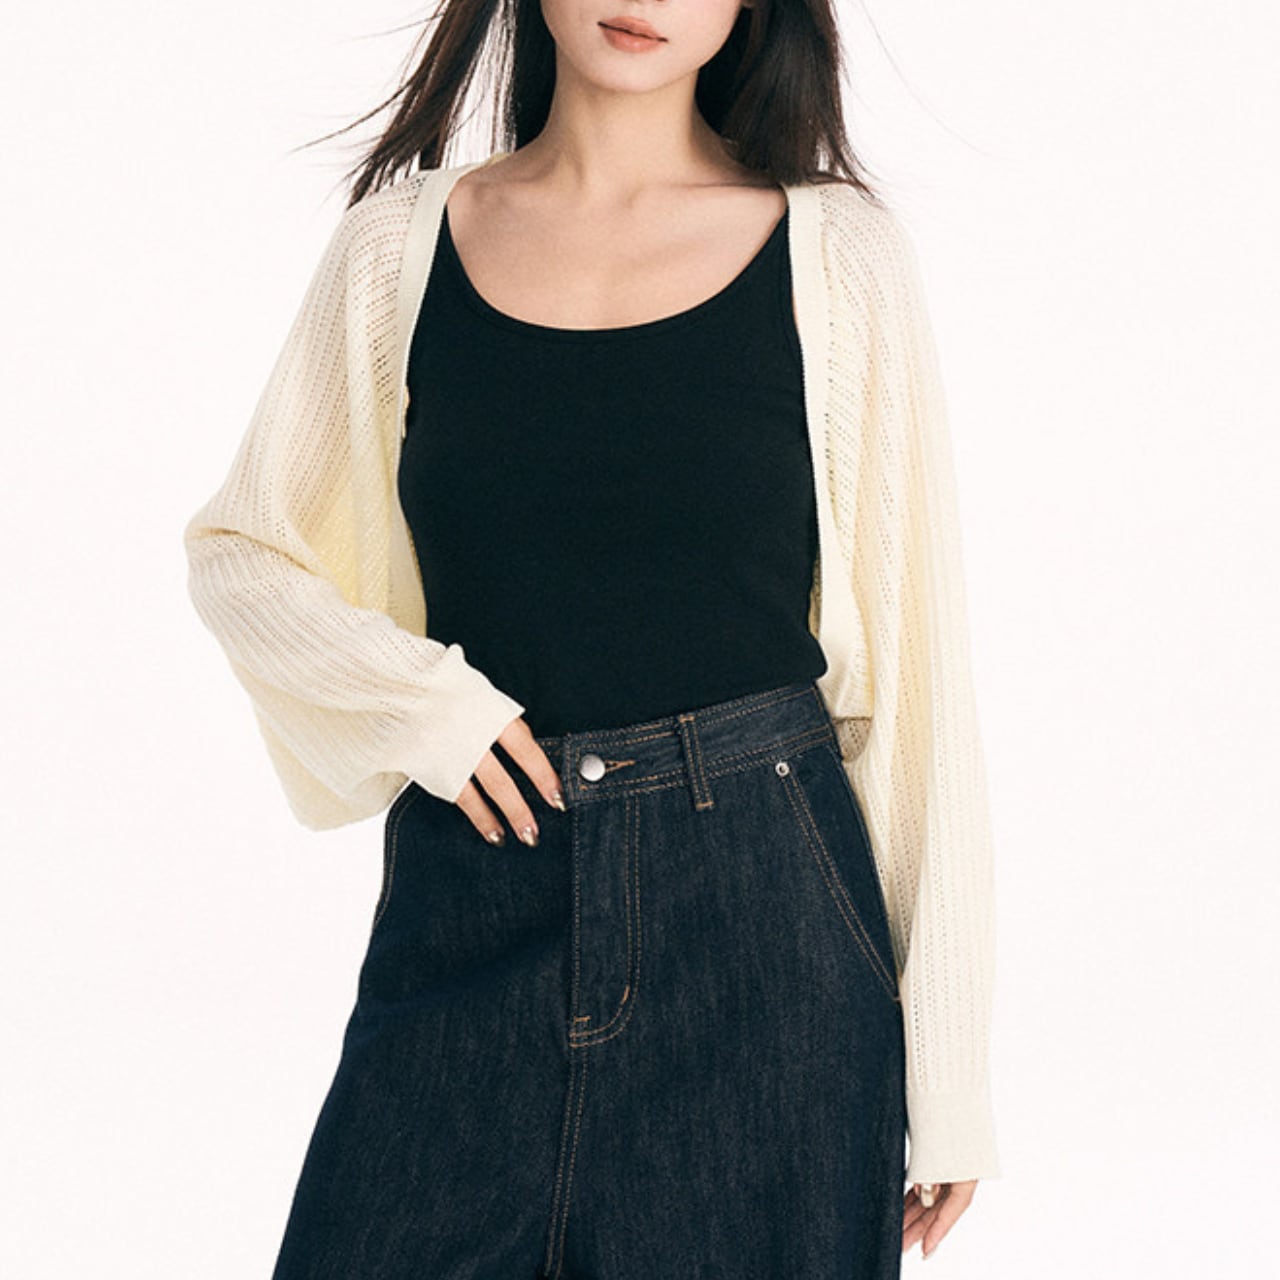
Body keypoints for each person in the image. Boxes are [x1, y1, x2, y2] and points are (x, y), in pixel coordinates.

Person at [183, 1, 1001, 1275]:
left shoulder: (833, 256)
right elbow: (244, 552)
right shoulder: (400, 248)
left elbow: (916, 676)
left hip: (763, 930)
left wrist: (946, 1070)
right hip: (474, 895)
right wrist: (425, 705)